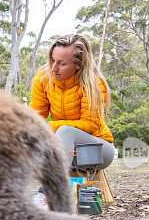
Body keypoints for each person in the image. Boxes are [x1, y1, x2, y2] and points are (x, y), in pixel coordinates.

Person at [29, 34, 114, 173]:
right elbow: (35, 119)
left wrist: (49, 127)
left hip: (98, 149)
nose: (54, 68)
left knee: (65, 131)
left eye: (61, 64)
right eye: (52, 60)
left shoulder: (93, 83)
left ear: (78, 65)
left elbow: (90, 125)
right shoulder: (42, 79)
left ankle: (51, 191)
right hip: (63, 147)